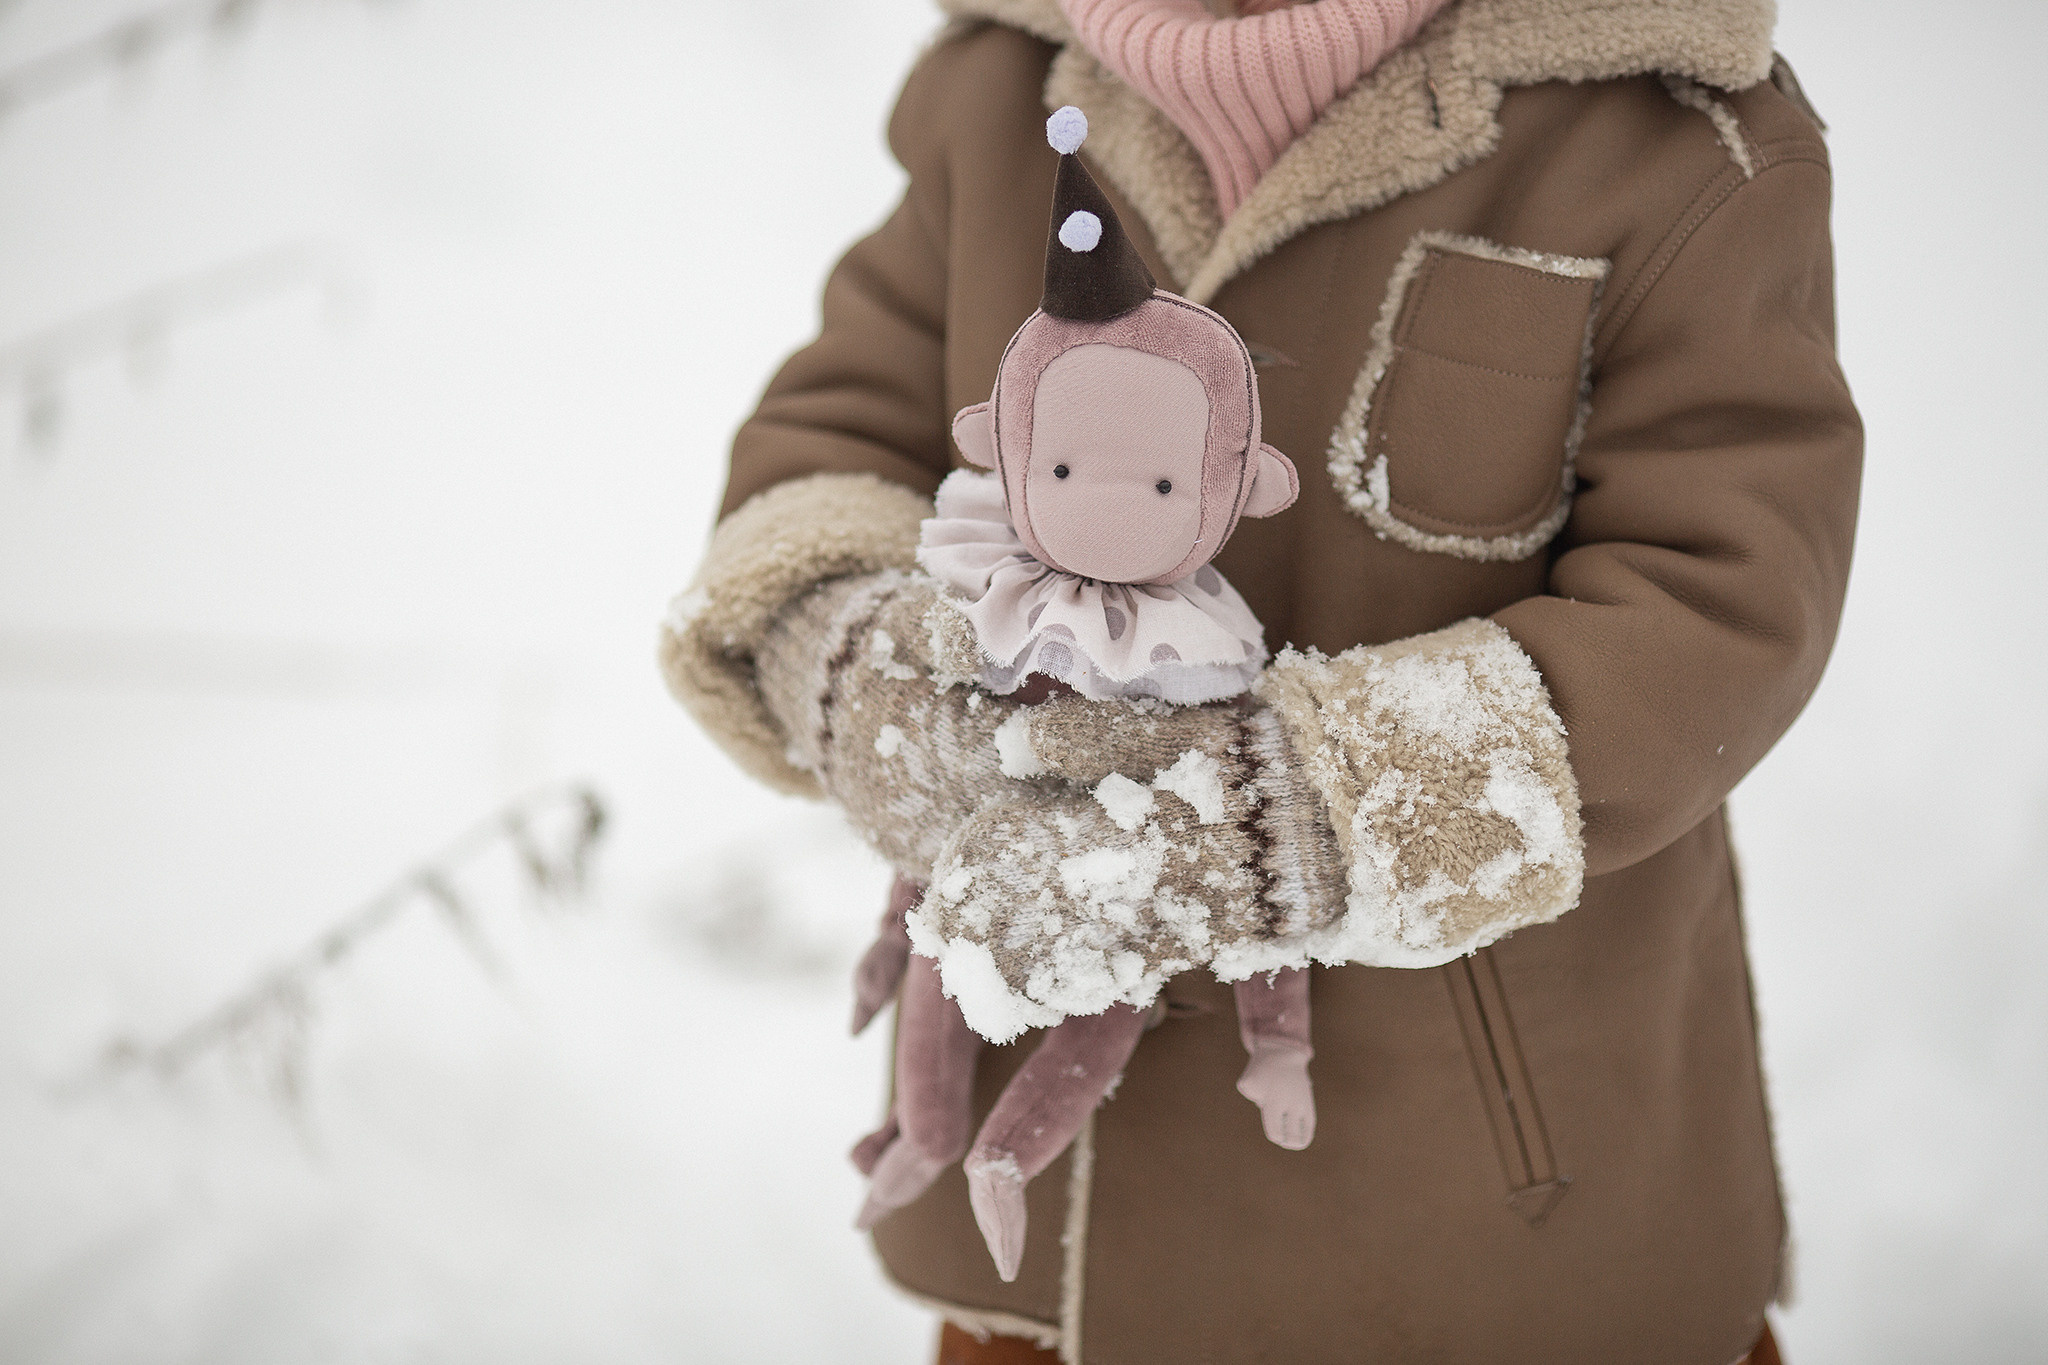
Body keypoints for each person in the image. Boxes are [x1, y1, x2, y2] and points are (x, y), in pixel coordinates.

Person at [659, 0, 1858, 1361]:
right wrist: (858, 668)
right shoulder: (1000, 88)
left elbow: (1720, 598)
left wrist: (1303, 811)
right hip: (1046, 1256)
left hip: (1499, 1228)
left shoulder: (1669, 135)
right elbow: (837, 430)